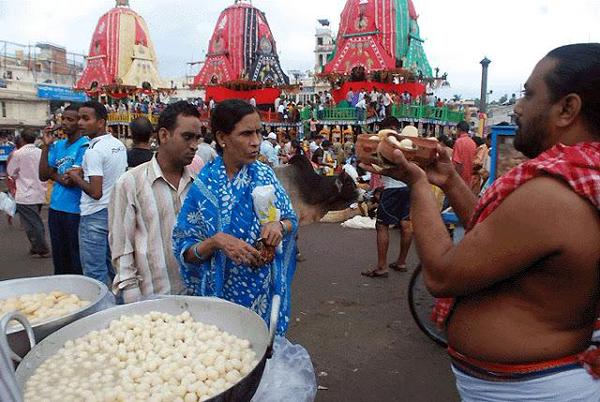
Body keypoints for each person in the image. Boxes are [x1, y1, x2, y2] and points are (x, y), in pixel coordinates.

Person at [365, 43, 600, 400]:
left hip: (539, 389)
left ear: (567, 108)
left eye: (528, 94)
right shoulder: (577, 179)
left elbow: (442, 275)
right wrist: (449, 181)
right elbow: (492, 238)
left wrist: (416, 182)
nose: (518, 107)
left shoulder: (552, 194)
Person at [172, 99, 298, 334]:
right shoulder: (204, 187)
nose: (256, 142)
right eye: (246, 134)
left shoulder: (265, 175)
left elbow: (291, 219)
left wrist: (278, 225)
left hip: (264, 294)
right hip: (220, 304)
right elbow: (185, 252)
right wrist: (216, 241)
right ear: (222, 138)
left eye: (259, 132)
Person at [110, 102, 201, 303]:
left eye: (197, 138)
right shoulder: (130, 182)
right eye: (187, 137)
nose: (194, 146)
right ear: (163, 135)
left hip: (196, 298)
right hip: (151, 301)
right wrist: (132, 297)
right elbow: (122, 247)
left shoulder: (200, 184)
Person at [67, 100, 127, 287]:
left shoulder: (93, 151)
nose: (80, 123)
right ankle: (119, 307)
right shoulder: (118, 145)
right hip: (113, 212)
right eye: (79, 119)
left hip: (93, 215)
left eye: (86, 119)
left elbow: (95, 192)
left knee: (94, 273)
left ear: (100, 122)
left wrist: (74, 176)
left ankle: (101, 312)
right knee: (113, 268)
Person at [39, 104, 89, 273]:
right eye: (63, 119)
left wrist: (54, 174)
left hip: (75, 211)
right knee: (59, 258)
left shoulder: (85, 146)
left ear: (79, 123)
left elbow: (71, 181)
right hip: (55, 209)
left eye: (70, 119)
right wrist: (45, 147)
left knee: (75, 258)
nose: (65, 123)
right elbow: (43, 174)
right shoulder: (58, 145)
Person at [361, 117, 413, 278]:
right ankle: (401, 262)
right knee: (406, 224)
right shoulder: (406, 143)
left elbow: (381, 167)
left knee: (382, 226)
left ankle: (382, 266)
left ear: (388, 128)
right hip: (407, 187)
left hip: (392, 189)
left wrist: (367, 165)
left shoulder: (386, 144)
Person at [7, 129, 50, 258]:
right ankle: (36, 246)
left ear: (23, 139)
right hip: (39, 191)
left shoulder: (18, 154)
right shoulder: (41, 152)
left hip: (25, 193)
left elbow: (11, 172)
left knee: (31, 223)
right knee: (34, 220)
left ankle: (42, 247)